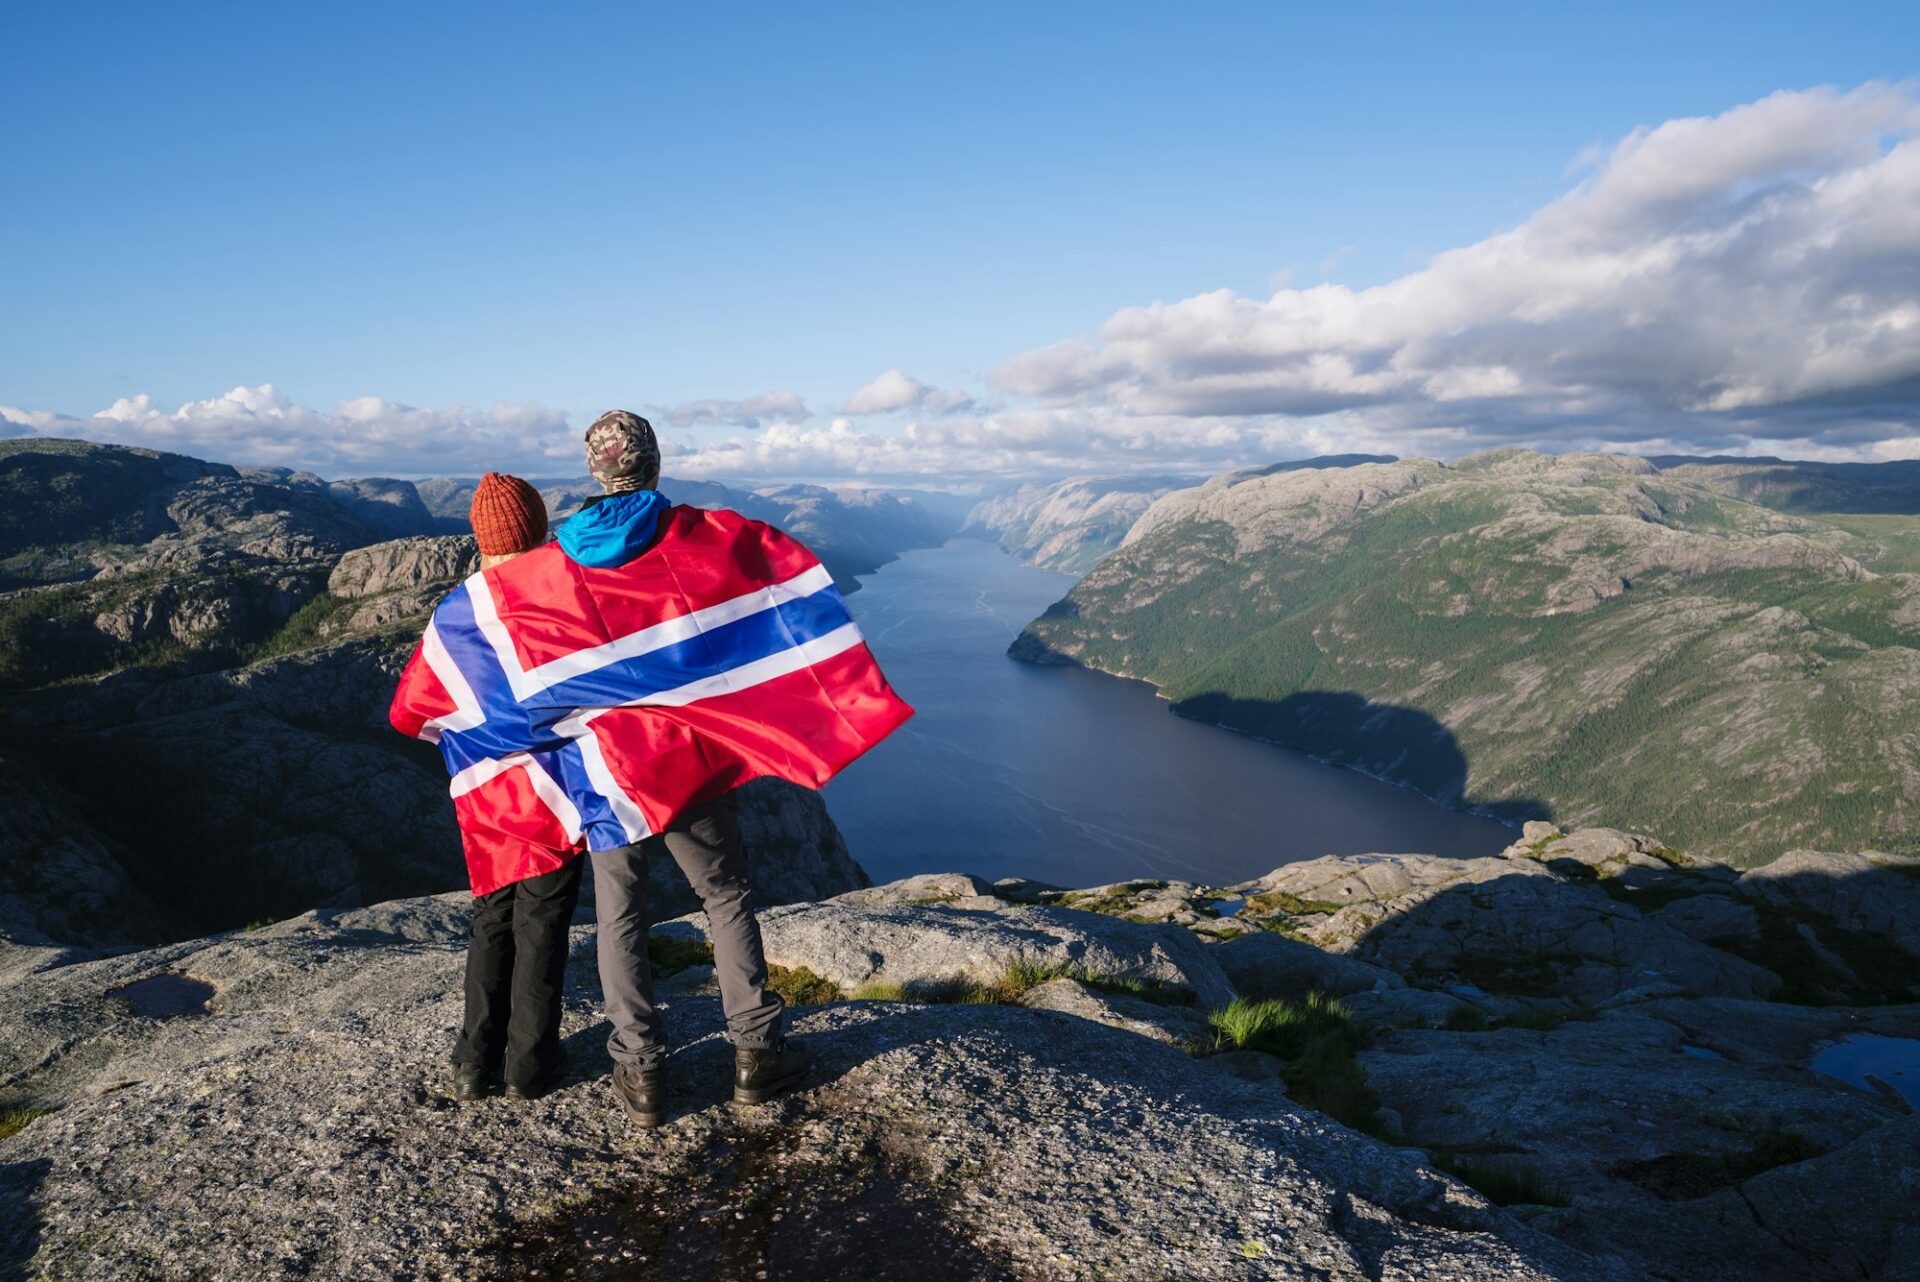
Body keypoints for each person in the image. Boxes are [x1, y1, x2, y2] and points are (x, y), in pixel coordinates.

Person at [568, 410, 809, 1128]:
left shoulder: (564, 557)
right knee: (726, 896)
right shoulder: (696, 536)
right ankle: (755, 1056)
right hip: (689, 757)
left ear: (594, 470)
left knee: (620, 912)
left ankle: (640, 1072)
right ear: (654, 464)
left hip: (610, 761)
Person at [444, 473, 584, 1103]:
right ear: (537, 531)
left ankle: (475, 1061)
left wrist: (471, 745)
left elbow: (413, 707)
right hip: (553, 797)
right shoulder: (564, 604)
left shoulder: (456, 614)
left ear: (481, 540)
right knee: (543, 924)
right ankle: (529, 1067)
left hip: (487, 797)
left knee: (491, 919)